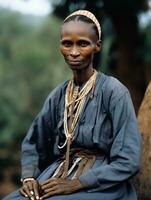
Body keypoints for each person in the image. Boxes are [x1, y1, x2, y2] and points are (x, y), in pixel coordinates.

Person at [4, 10, 141, 200]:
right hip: (58, 175)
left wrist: (79, 183)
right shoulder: (59, 95)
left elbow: (128, 160)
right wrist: (29, 177)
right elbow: (34, 142)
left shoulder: (114, 92)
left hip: (102, 185)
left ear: (97, 46)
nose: (74, 52)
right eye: (67, 44)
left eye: (83, 43)